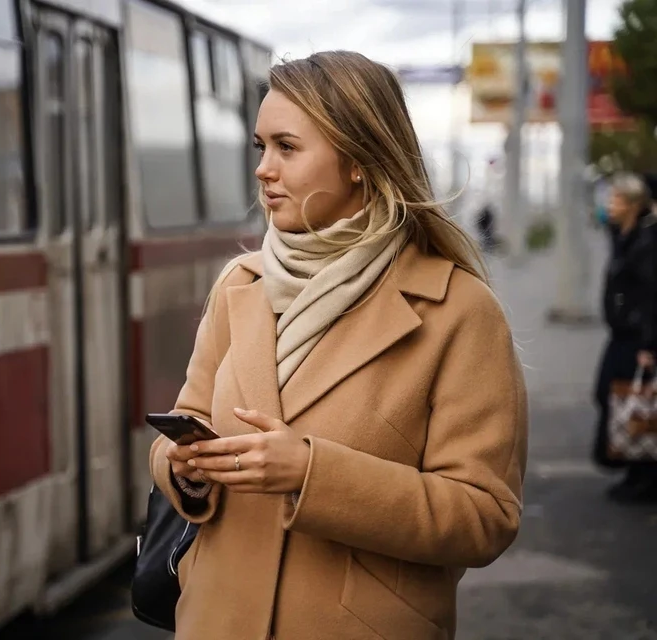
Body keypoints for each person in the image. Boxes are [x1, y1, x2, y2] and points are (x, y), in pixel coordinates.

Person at [148, 50, 528, 640]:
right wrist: (187, 467)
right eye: (260, 146)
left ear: (357, 160)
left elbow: (484, 516)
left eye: (287, 147)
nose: (263, 169)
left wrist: (311, 472)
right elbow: (191, 416)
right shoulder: (239, 286)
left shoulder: (458, 310)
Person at [593, 171, 657, 502]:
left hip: (638, 338)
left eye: (616, 199)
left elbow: (651, 295)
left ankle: (644, 474)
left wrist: (649, 345)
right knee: (614, 396)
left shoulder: (647, 241)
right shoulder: (624, 234)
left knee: (636, 400)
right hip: (622, 334)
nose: (609, 204)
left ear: (633, 204)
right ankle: (634, 466)